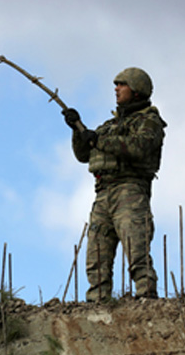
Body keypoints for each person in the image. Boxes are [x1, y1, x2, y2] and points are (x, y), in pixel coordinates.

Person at [62, 67, 167, 302]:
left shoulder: (149, 121)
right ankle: (97, 302)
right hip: (103, 192)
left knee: (136, 248)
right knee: (96, 253)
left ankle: (146, 298)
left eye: (122, 84)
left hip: (130, 191)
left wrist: (98, 139)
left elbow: (138, 147)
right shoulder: (109, 125)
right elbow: (83, 155)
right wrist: (77, 130)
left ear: (137, 90)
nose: (116, 89)